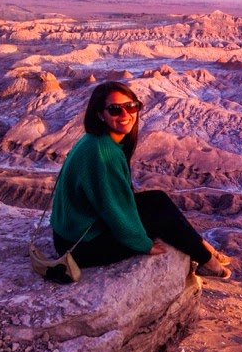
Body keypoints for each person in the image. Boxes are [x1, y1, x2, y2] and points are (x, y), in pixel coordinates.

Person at [50, 80, 231, 278]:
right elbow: (114, 210)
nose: (125, 114)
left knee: (157, 199)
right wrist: (144, 245)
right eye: (115, 110)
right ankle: (207, 261)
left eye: (131, 107)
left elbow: (118, 200)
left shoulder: (95, 140)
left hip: (73, 233)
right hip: (81, 246)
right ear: (100, 114)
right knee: (162, 219)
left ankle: (203, 248)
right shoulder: (104, 153)